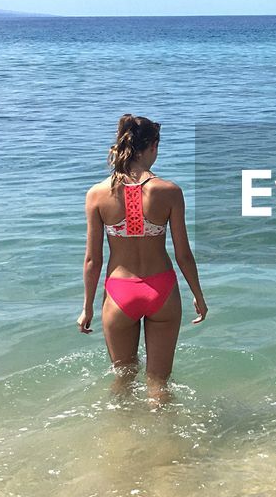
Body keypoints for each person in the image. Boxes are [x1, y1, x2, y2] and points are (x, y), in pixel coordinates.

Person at [78, 114, 207, 399]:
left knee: (122, 383)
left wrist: (87, 307)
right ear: (153, 147)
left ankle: (122, 440)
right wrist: (198, 295)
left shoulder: (97, 194)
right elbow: (183, 254)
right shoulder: (170, 192)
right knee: (159, 383)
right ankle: (165, 441)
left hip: (119, 292)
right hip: (161, 290)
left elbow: (93, 260)